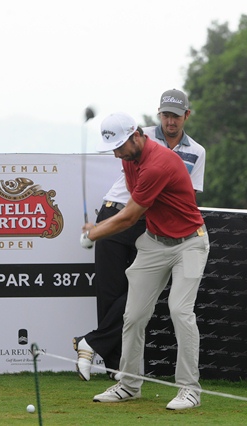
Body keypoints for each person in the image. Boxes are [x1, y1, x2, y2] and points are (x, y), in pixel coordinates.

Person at [79, 112, 209, 410]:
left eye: (120, 145)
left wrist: (94, 233)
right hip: (154, 242)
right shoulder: (129, 160)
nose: (116, 153)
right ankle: (128, 384)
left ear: (137, 135)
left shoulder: (158, 163)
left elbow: (129, 216)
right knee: (133, 315)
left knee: (179, 310)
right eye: (113, 147)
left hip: (189, 242)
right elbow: (132, 210)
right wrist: (99, 230)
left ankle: (190, 389)